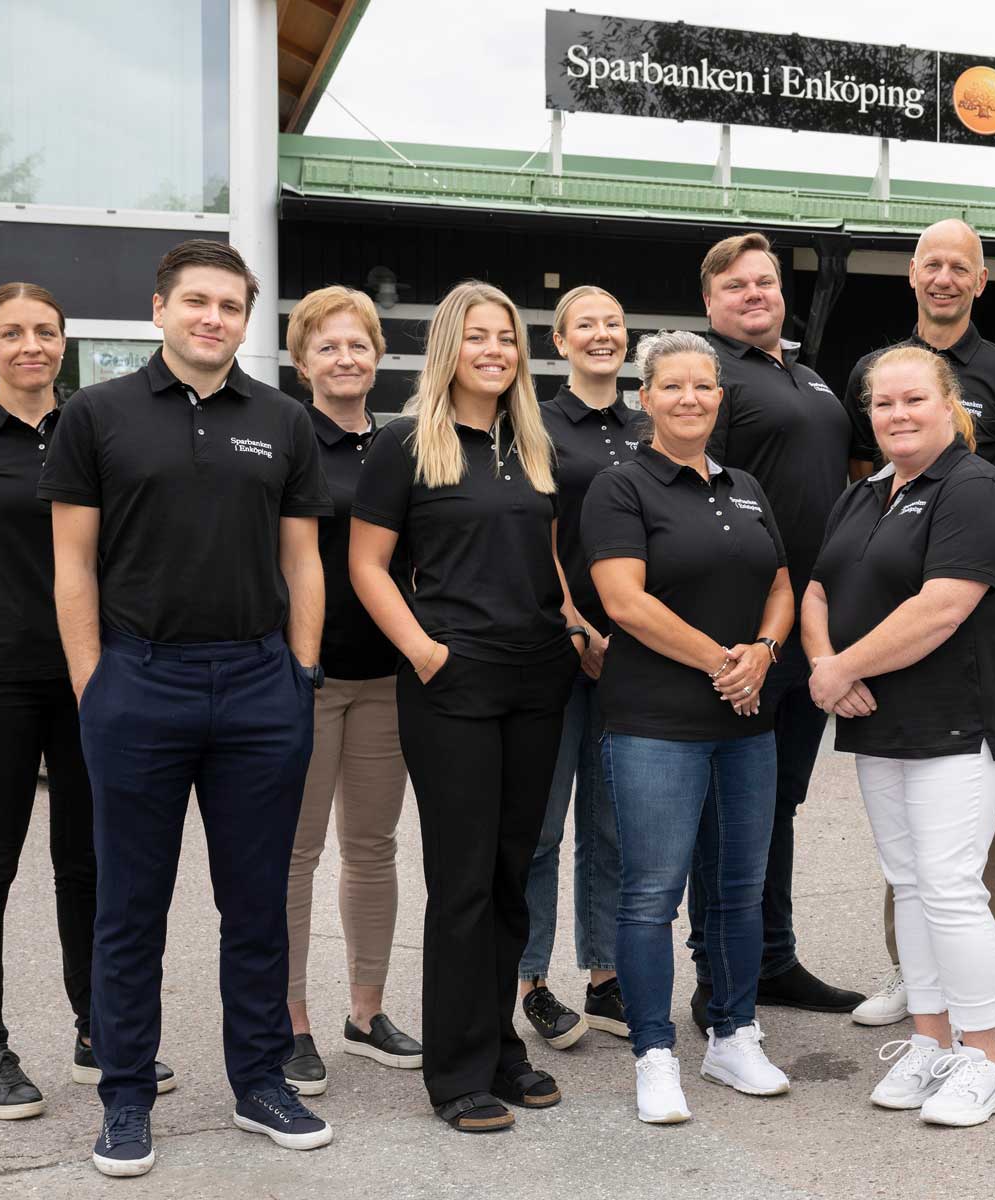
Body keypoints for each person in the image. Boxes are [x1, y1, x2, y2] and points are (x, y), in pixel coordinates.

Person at [40, 241, 333, 1176]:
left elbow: (302, 561)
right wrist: (95, 681)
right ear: (159, 309)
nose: (214, 318)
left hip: (259, 685)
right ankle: (125, 1096)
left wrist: (300, 672)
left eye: (231, 306)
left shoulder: (283, 421)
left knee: (255, 903)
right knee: (131, 906)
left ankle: (260, 1081)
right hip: (140, 681)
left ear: (247, 319)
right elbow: (72, 561)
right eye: (196, 302)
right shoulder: (98, 415)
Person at [0, 283, 174, 1122]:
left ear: (65, 342)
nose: (31, 345)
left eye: (45, 331)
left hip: (93, 679)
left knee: (88, 863)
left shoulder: (94, 428)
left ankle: (99, 1029)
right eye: (12, 332)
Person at [349, 281, 583, 1134]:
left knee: (511, 872)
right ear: (449, 346)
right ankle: (455, 1073)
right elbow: (368, 565)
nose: (496, 350)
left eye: (508, 338)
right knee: (461, 880)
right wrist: (421, 650)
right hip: (451, 681)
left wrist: (573, 622)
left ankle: (500, 1050)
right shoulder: (406, 443)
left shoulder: (532, 445)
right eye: (478, 336)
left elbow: (543, 556)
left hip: (534, 678)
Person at [804, 346, 995, 1128]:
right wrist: (828, 662)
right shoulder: (866, 491)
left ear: (949, 405)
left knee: (951, 885)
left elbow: (943, 607)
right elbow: (819, 586)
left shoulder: (974, 488)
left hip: (956, 718)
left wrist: (840, 670)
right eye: (883, 404)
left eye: (913, 400)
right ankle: (931, 1042)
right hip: (878, 718)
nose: (897, 415)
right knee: (910, 881)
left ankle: (985, 1058)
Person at [582, 330, 798, 1124]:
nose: (690, 399)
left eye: (703, 387)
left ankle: (733, 1035)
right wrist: (724, 662)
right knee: (650, 895)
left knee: (738, 892)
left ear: (719, 396)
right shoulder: (621, 487)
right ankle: (654, 1053)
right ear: (646, 398)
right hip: (656, 724)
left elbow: (780, 580)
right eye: (672, 387)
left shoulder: (744, 484)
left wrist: (767, 649)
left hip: (747, 723)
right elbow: (624, 602)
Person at [841, 219, 995, 1027]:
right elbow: (869, 483)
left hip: (969, 616)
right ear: (912, 274)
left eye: (961, 266)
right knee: (906, 839)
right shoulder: (875, 369)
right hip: (892, 622)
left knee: (960, 845)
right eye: (932, 263)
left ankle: (972, 1000)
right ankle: (913, 975)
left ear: (981, 280)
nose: (945, 277)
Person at [692, 232, 864, 1024]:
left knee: (777, 804)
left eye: (765, 281)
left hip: (812, 631)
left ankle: (772, 958)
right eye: (737, 285)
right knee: (730, 808)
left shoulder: (813, 380)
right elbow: (702, 495)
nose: (755, 293)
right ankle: (716, 971)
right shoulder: (711, 379)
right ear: (710, 302)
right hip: (747, 630)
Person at [277, 286, 423, 1096]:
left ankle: (365, 1012)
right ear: (303, 363)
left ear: (377, 357)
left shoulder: (402, 444)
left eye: (358, 345)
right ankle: (290, 1019)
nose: (345, 359)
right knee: (294, 854)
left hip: (385, 678)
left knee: (372, 849)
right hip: (304, 677)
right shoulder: (286, 439)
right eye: (328, 347)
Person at [520, 284, 643, 1050]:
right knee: (540, 824)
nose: (602, 335)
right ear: (560, 343)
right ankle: (529, 978)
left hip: (635, 653)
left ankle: (603, 975)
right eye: (586, 325)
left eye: (614, 323)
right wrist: (574, 622)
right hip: (555, 645)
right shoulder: (535, 423)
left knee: (612, 825)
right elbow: (537, 531)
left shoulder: (649, 425)